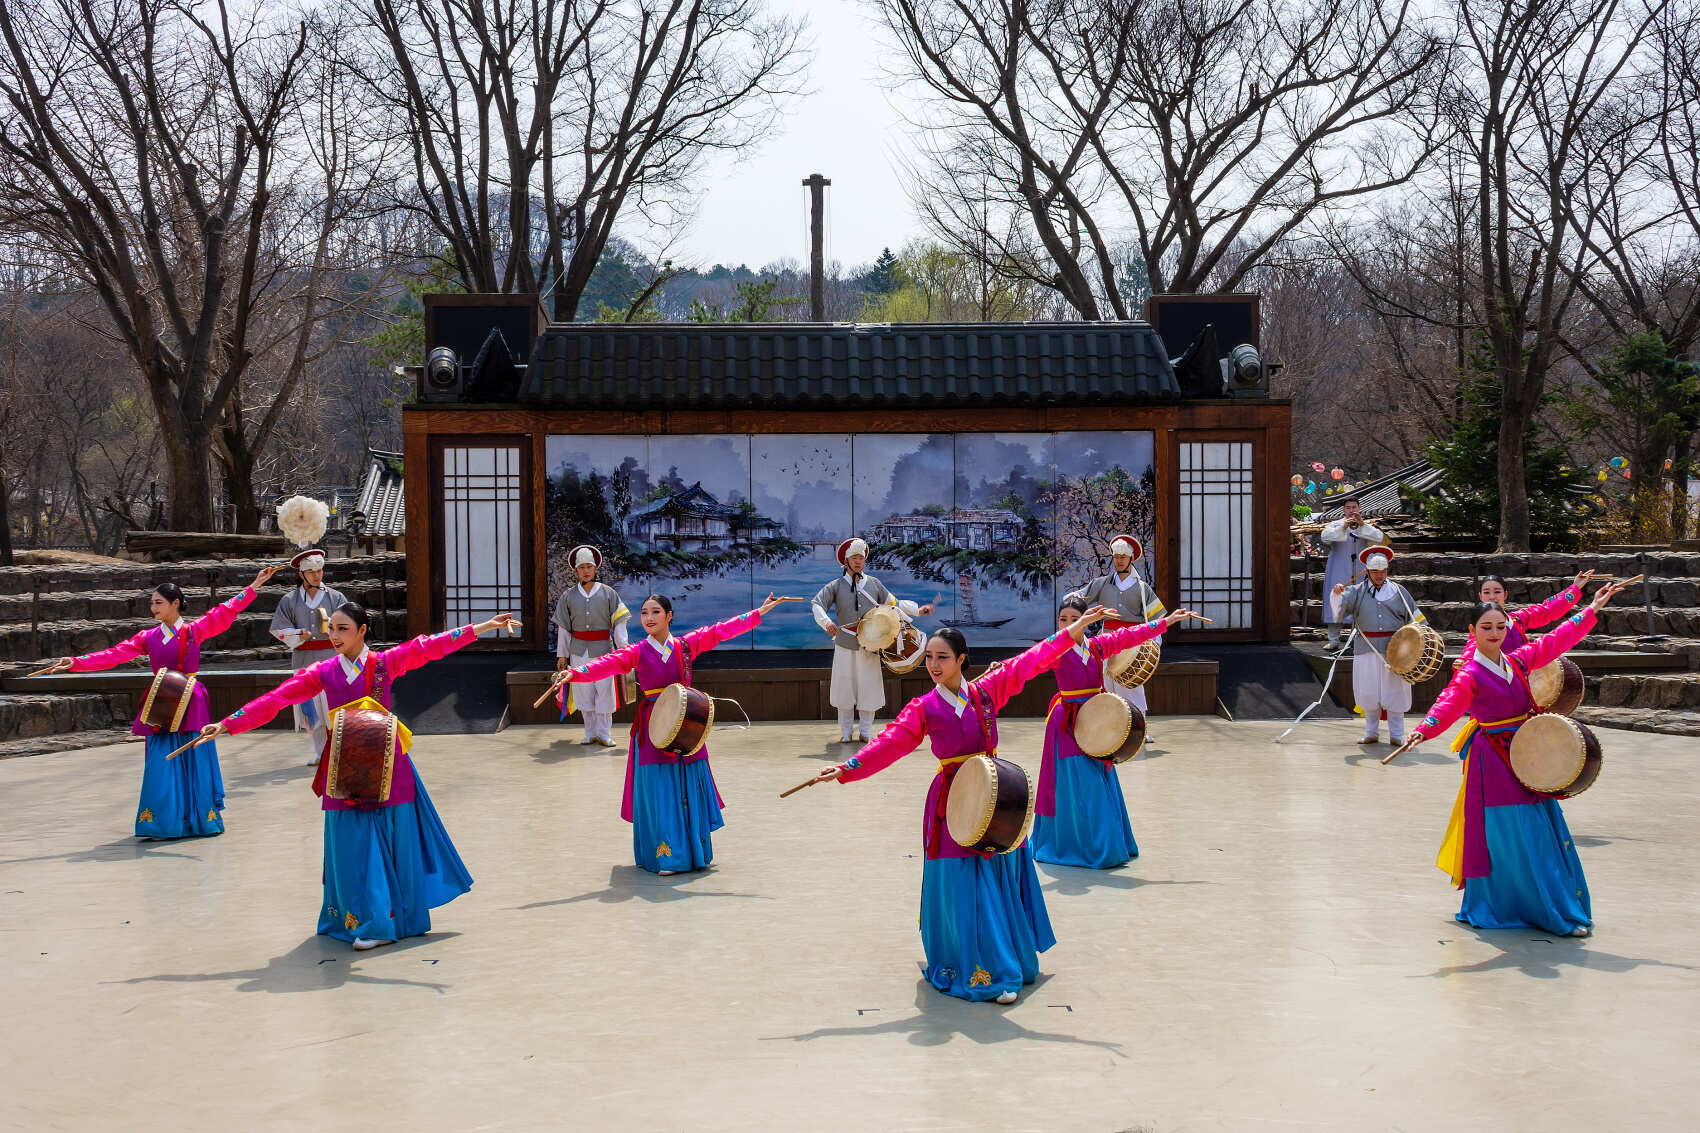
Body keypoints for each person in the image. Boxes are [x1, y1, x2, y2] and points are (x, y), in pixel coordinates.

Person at [798, 605, 1118, 1004]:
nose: (933, 665)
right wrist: (846, 768)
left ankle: (1009, 958)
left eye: (942, 657)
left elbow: (1033, 660)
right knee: (962, 880)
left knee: (996, 870)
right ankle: (982, 969)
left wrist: (1075, 631)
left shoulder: (989, 691)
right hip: (953, 801)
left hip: (995, 796)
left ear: (961, 659)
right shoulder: (923, 708)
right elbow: (888, 745)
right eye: (929, 657)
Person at [196, 604, 509, 949]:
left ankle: (386, 922)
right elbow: (278, 698)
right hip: (344, 764)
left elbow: (429, 646)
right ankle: (361, 918)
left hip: (388, 763)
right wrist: (228, 723)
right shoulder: (323, 672)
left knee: (392, 842)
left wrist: (481, 627)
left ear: (362, 631)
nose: (334, 635)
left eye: (343, 629)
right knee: (352, 845)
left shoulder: (384, 664)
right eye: (331, 628)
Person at [1387, 579, 1631, 937]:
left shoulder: (1517, 661)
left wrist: (1591, 608)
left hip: (1526, 754)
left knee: (1538, 828)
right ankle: (1527, 909)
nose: (1495, 633)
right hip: (1494, 761)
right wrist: (1425, 730)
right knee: (1511, 833)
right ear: (1473, 630)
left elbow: (1554, 641)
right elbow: (1449, 703)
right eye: (1486, 627)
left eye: (1501, 627)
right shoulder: (1469, 671)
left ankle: (1550, 906)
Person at [560, 593, 789, 875]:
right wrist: (577, 673)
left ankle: (695, 853)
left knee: (688, 786)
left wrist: (757, 614)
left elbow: (718, 632)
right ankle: (666, 857)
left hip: (687, 723)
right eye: (644, 613)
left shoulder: (684, 646)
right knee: (661, 790)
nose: (649, 618)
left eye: (655, 612)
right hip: (654, 726)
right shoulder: (637, 651)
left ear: (669, 616)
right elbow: (609, 662)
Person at [44, 565, 279, 838]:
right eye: (151, 603)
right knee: (160, 759)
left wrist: (255, 585)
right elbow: (115, 654)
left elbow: (225, 611)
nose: (153, 608)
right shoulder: (148, 637)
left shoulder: (194, 631)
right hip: (161, 700)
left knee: (194, 755)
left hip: (190, 700)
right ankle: (163, 822)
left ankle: (199, 820)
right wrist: (76, 662)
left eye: (158, 602)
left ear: (175, 604)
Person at [1032, 598, 1202, 869]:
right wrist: (998, 669)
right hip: (1067, 724)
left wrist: (1167, 621)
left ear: (1086, 620)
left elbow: (1131, 635)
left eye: (1073, 618)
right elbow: (1026, 663)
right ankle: (1074, 845)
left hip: (1097, 719)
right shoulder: (1056, 648)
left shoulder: (1097, 646)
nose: (1067, 624)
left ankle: (1107, 842)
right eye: (1062, 619)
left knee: (1100, 779)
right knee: (1077, 783)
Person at [812, 537, 932, 743]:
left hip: (872, 644)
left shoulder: (874, 584)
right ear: (846, 561)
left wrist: (918, 611)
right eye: (855, 557)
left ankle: (866, 731)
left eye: (862, 557)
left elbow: (895, 602)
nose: (859, 561)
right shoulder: (836, 586)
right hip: (844, 642)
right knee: (844, 688)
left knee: (869, 686)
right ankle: (846, 732)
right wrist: (826, 622)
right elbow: (816, 603)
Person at [1064, 534, 1167, 718]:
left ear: (1131, 559)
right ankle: (1114, 728)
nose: (1119, 561)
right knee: (1107, 683)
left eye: (1123, 557)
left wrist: (1154, 641)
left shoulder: (1142, 588)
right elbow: (1081, 595)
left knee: (1130, 685)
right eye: (1116, 557)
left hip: (1132, 642)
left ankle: (1139, 725)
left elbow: (1156, 619)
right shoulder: (1103, 583)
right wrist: (1074, 597)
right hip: (1107, 640)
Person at [1332, 545, 1422, 745]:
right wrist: (1338, 594)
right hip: (1366, 647)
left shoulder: (1399, 591)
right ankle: (1371, 732)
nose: (1379, 575)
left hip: (1397, 650)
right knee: (1368, 690)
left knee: (1396, 691)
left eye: (1383, 571)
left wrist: (1423, 635)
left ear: (1387, 570)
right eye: (1375, 571)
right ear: (1367, 571)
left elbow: (1416, 616)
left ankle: (1397, 734)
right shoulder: (1356, 592)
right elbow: (1340, 612)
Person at [268, 547, 348, 758]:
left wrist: (331, 626)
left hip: (331, 660)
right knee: (312, 711)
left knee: (334, 708)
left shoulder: (336, 597)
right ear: (301, 574)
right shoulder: (289, 600)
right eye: (311, 571)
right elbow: (278, 628)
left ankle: (337, 752)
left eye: (319, 570)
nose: (316, 575)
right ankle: (321, 752)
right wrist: (297, 634)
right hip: (303, 661)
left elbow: (350, 623)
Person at [552, 544, 630, 746]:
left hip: (604, 650)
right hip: (578, 651)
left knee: (604, 690)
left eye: (589, 566)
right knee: (583, 691)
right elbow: (564, 628)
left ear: (595, 568)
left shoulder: (609, 593)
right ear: (576, 570)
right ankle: (590, 732)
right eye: (581, 567)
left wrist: (624, 649)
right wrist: (563, 655)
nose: (585, 571)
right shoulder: (568, 596)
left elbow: (619, 622)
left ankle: (604, 734)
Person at [1455, 570, 1593, 668]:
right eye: (1487, 592)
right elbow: (1472, 646)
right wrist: (1464, 660)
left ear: (1505, 594)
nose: (1492, 597)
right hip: (1501, 682)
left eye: (1497, 592)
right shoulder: (1481, 626)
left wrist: (1575, 587)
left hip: (1524, 678)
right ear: (1480, 596)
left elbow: (1547, 610)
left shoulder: (1517, 619)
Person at [1319, 499, 1385, 647]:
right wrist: (1343, 527)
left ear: (1359, 508)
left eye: (1353, 507)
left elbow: (1379, 538)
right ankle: (1333, 639)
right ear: (1343, 509)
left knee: (1360, 602)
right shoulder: (1335, 525)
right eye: (1348, 507)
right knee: (1335, 601)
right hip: (1338, 568)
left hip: (1359, 570)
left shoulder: (1364, 526)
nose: (1351, 510)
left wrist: (1362, 525)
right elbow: (1325, 538)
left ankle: (1359, 638)